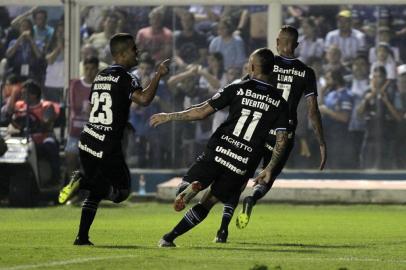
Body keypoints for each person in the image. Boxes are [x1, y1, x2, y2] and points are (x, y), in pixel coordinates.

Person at [150, 48, 290, 247]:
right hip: (243, 161)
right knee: (207, 202)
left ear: (251, 66)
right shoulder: (279, 101)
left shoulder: (237, 87)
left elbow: (201, 112)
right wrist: (269, 168)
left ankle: (187, 189)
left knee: (188, 182)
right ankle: (169, 238)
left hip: (219, 149)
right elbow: (282, 139)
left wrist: (169, 116)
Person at [58, 33, 170, 245]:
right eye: (132, 49)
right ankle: (81, 180)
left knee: (95, 190)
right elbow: (144, 99)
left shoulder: (100, 76)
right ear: (121, 53)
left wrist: (120, 122)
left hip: (88, 138)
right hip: (107, 145)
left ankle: (81, 237)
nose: (137, 52)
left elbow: (96, 108)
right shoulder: (127, 78)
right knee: (121, 192)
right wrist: (158, 75)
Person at [235, 25, 327, 232]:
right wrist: (321, 142)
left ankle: (224, 222)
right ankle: (253, 197)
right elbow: (313, 110)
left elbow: (242, 88)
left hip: (258, 126)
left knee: (242, 170)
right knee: (269, 174)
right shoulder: (306, 72)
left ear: (277, 42)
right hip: (284, 131)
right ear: (296, 45)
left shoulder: (267, 62)